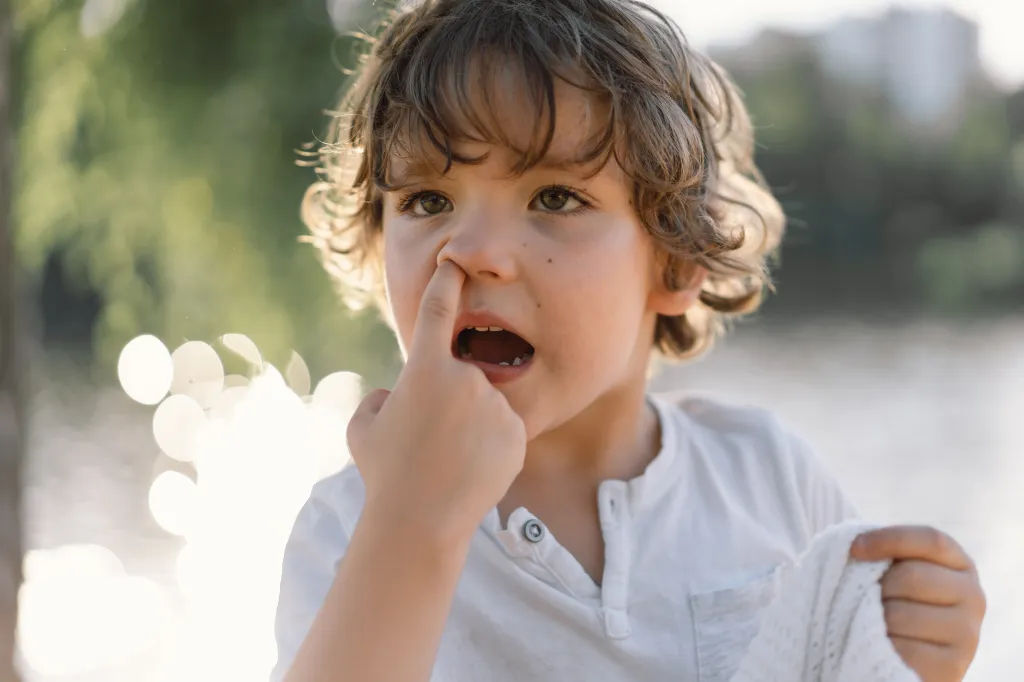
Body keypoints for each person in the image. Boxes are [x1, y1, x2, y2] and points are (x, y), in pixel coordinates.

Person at [272, 1, 986, 681]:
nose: (471, 251)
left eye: (554, 198)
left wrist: (900, 655)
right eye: (428, 202)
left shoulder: (768, 479)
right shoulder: (349, 528)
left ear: (674, 260)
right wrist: (411, 520)